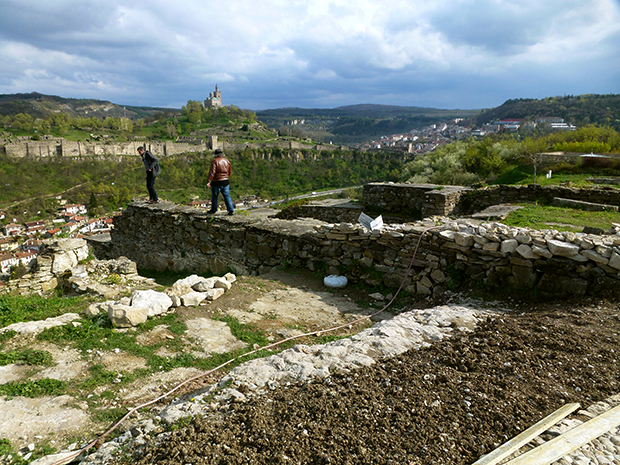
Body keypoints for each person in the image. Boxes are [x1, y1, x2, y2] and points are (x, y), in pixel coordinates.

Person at [207, 148, 234, 215]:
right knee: (227, 196)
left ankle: (214, 209)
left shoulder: (215, 161)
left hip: (217, 181)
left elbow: (212, 172)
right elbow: (230, 171)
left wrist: (209, 181)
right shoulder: (227, 161)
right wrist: (226, 177)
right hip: (225, 181)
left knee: (215, 196)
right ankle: (231, 210)